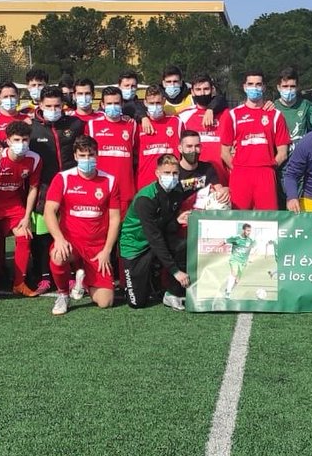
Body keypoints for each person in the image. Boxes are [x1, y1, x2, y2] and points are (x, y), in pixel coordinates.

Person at [43, 136, 121, 315]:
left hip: (96, 248)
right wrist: (59, 239)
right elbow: (49, 211)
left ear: (97, 155)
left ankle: (82, 279)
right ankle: (63, 294)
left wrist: (107, 250)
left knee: (105, 302)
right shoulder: (63, 178)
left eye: (91, 155)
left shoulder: (110, 180)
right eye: (83, 155)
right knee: (57, 255)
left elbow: (115, 218)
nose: (87, 159)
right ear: (76, 156)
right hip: (72, 243)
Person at [28, 86, 86, 294]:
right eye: (49, 106)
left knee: (69, 232)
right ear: (40, 105)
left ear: (63, 106)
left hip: (72, 188)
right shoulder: (31, 127)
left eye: (57, 106)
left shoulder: (75, 124)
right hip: (44, 189)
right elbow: (10, 138)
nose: (53, 109)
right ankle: (44, 277)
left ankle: (71, 274)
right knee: (43, 236)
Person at [0, 123, 42, 297]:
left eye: (25, 140)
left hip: (13, 204)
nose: (21, 143)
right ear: (8, 141)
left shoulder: (34, 159)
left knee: (25, 235)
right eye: (17, 140)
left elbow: (33, 188)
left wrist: (27, 216)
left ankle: (19, 283)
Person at [119, 154, 191, 310]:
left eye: (175, 173)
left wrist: (176, 221)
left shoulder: (177, 191)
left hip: (155, 240)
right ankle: (150, 276)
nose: (171, 177)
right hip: (135, 246)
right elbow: (155, 238)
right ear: (157, 173)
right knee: (137, 303)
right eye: (166, 173)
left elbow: (164, 225)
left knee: (183, 245)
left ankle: (173, 294)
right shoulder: (146, 198)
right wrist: (176, 272)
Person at [219, 70, 289, 210]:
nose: (254, 88)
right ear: (244, 87)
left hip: (266, 173)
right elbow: (224, 152)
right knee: (239, 218)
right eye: (250, 84)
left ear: (263, 87)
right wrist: (239, 168)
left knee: (268, 219)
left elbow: (283, 153)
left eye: (258, 84)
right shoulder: (233, 115)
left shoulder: (275, 115)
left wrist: (268, 167)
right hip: (240, 173)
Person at [177, 74, 229, 184]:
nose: (202, 93)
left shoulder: (226, 114)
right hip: (195, 180)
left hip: (223, 178)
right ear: (192, 92)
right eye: (198, 89)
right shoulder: (183, 116)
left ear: (212, 90)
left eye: (206, 89)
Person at [136, 85, 182, 191]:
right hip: (144, 183)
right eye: (151, 103)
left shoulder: (176, 122)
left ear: (164, 101)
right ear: (145, 103)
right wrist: (143, 118)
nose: (155, 106)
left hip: (171, 183)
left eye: (158, 103)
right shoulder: (138, 125)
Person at [273, 66, 312, 157]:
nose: (289, 90)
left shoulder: (306, 105)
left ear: (297, 87)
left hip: (301, 163)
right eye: (285, 86)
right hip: (280, 163)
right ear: (278, 87)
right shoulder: (272, 108)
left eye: (292, 86)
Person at [223, 223, 256, 298]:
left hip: (243, 262)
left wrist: (252, 257)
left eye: (250, 231)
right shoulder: (236, 238)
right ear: (243, 230)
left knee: (237, 280)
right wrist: (215, 248)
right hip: (234, 259)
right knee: (233, 273)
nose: (249, 232)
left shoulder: (251, 240)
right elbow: (224, 241)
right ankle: (228, 293)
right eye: (247, 230)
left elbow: (256, 248)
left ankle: (228, 289)